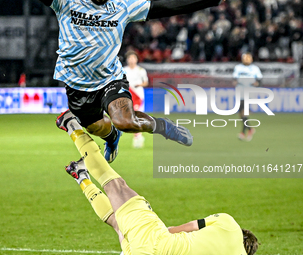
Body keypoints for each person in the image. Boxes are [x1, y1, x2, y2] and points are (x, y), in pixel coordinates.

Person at [39, 0, 224, 162]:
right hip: (77, 87)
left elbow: (164, 6)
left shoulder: (122, 5)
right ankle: (112, 138)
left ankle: (163, 127)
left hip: (110, 79)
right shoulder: (66, 1)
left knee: (125, 121)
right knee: (96, 128)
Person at [58, 115, 259, 255]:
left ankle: (70, 125)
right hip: (140, 251)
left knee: (115, 186)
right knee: (119, 225)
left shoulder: (230, 225)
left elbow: (184, 228)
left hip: (155, 241)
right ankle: (81, 176)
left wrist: (164, 231)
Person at [233, 53, 263, 141]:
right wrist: (235, 82)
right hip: (240, 91)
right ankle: (248, 130)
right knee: (241, 113)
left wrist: (257, 83)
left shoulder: (255, 69)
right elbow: (235, 78)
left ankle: (245, 131)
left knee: (243, 112)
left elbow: (260, 80)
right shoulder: (238, 68)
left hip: (249, 92)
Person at [123, 50, 148, 148]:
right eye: (130, 58)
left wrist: (139, 85)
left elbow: (146, 82)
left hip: (138, 96)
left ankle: (138, 137)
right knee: (130, 117)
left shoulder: (141, 70)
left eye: (133, 58)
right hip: (128, 95)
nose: (132, 60)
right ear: (127, 60)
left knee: (136, 116)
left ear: (136, 59)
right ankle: (138, 136)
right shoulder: (124, 70)